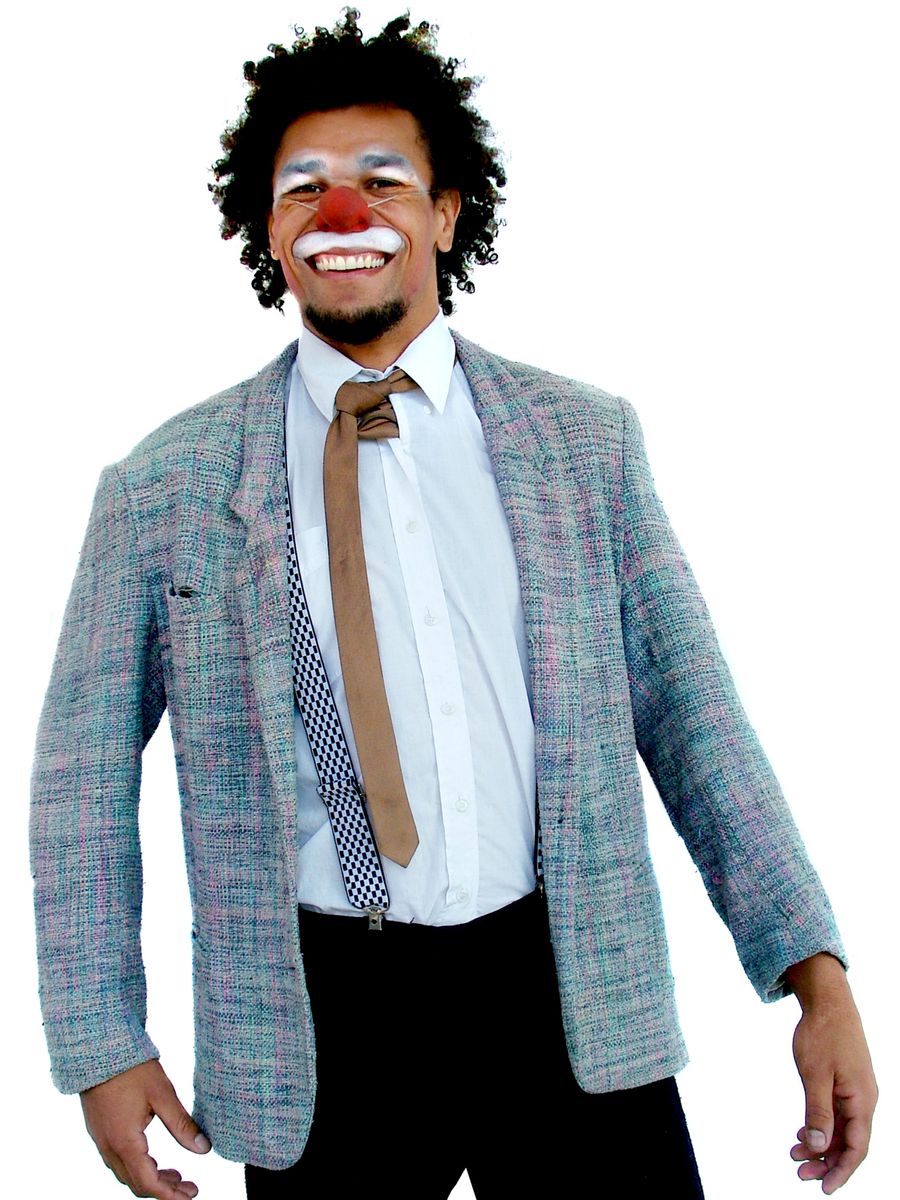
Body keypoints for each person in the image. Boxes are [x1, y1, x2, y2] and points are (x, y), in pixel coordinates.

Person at [29, 10, 878, 1200]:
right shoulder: (162, 487)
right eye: (303, 188)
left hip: (570, 991)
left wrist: (816, 978)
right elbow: (78, 779)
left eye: (381, 181)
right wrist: (102, 1042)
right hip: (320, 1023)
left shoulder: (584, 444)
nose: (341, 212)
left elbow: (696, 721)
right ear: (267, 228)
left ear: (444, 213)